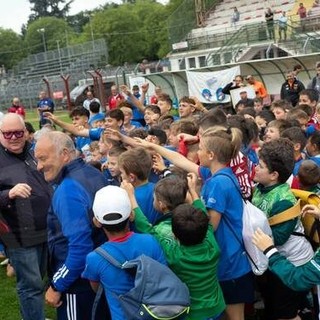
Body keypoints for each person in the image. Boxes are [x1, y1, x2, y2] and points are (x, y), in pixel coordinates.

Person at [123, 176, 226, 320]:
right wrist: (193, 193)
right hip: (216, 309)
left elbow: (146, 229)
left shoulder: (174, 255)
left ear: (175, 237)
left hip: (192, 314)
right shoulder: (211, 243)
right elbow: (203, 215)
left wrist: (131, 196)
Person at [34, 131, 108, 320]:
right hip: (99, 275)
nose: (39, 166)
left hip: (78, 283)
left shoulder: (68, 190)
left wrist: (57, 285)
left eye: (43, 159)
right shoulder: (93, 173)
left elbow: (79, 249)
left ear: (65, 155)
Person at [81, 185, 167, 320]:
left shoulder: (94, 258)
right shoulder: (151, 242)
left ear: (97, 221)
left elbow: (96, 289)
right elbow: (163, 276)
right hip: (153, 314)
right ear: (131, 215)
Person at [252, 138, 314, 320]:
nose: (255, 167)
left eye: (260, 166)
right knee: (274, 307)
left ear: (274, 175)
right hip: (277, 261)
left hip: (294, 265)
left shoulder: (283, 200)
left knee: (286, 314)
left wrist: (250, 232)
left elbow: (278, 238)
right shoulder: (261, 187)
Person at [0, 113, 52, 320]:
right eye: (8, 133)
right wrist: (8, 194)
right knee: (30, 286)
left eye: (18, 132)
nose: (14, 137)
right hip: (19, 236)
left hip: (45, 230)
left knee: (40, 280)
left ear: (26, 133)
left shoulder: (33, 152)